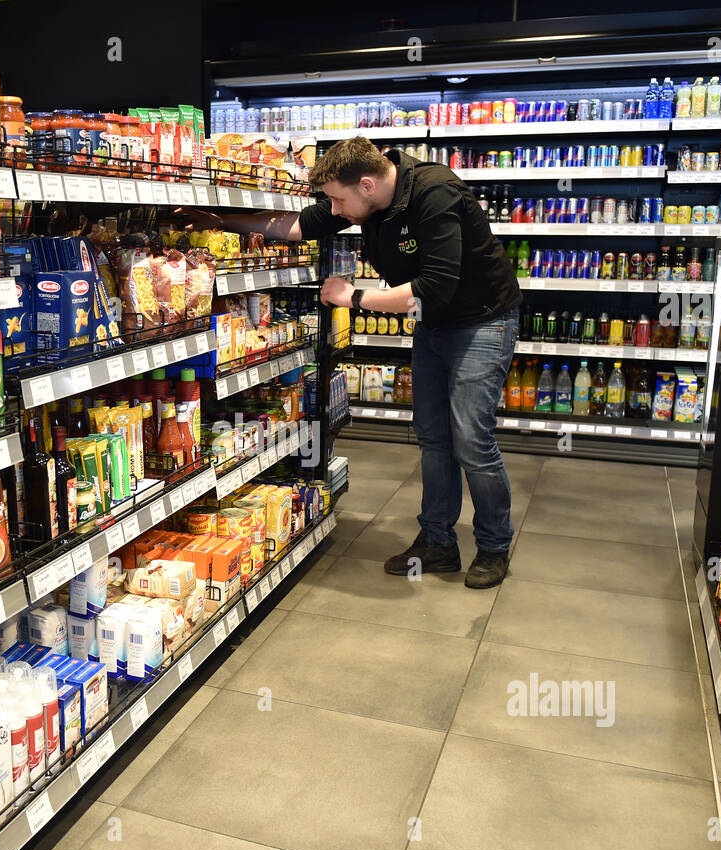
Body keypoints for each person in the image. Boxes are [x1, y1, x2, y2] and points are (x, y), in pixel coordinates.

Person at [183, 137, 521, 588]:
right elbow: (298, 226)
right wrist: (221, 219)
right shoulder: (363, 199)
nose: (335, 211)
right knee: (434, 437)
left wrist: (354, 296)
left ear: (366, 184)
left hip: (481, 322)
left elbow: (434, 287)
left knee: (471, 440)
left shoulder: (435, 193)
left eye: (339, 200)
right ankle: (437, 542)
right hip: (434, 325)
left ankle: (494, 546)